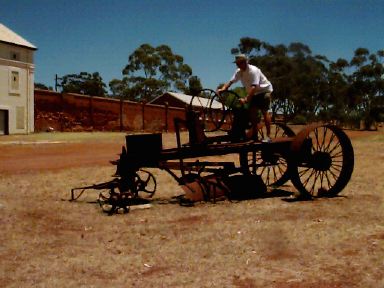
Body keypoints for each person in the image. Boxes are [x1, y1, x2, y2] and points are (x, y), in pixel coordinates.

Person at [217, 54, 273, 142]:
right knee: (252, 113)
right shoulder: (239, 71)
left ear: (245, 62)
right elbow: (231, 81)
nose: (238, 65)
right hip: (254, 93)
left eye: (239, 63)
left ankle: (268, 136)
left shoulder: (254, 70)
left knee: (264, 111)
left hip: (264, 91)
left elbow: (254, 87)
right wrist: (223, 88)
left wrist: (246, 99)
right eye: (237, 63)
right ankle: (254, 135)